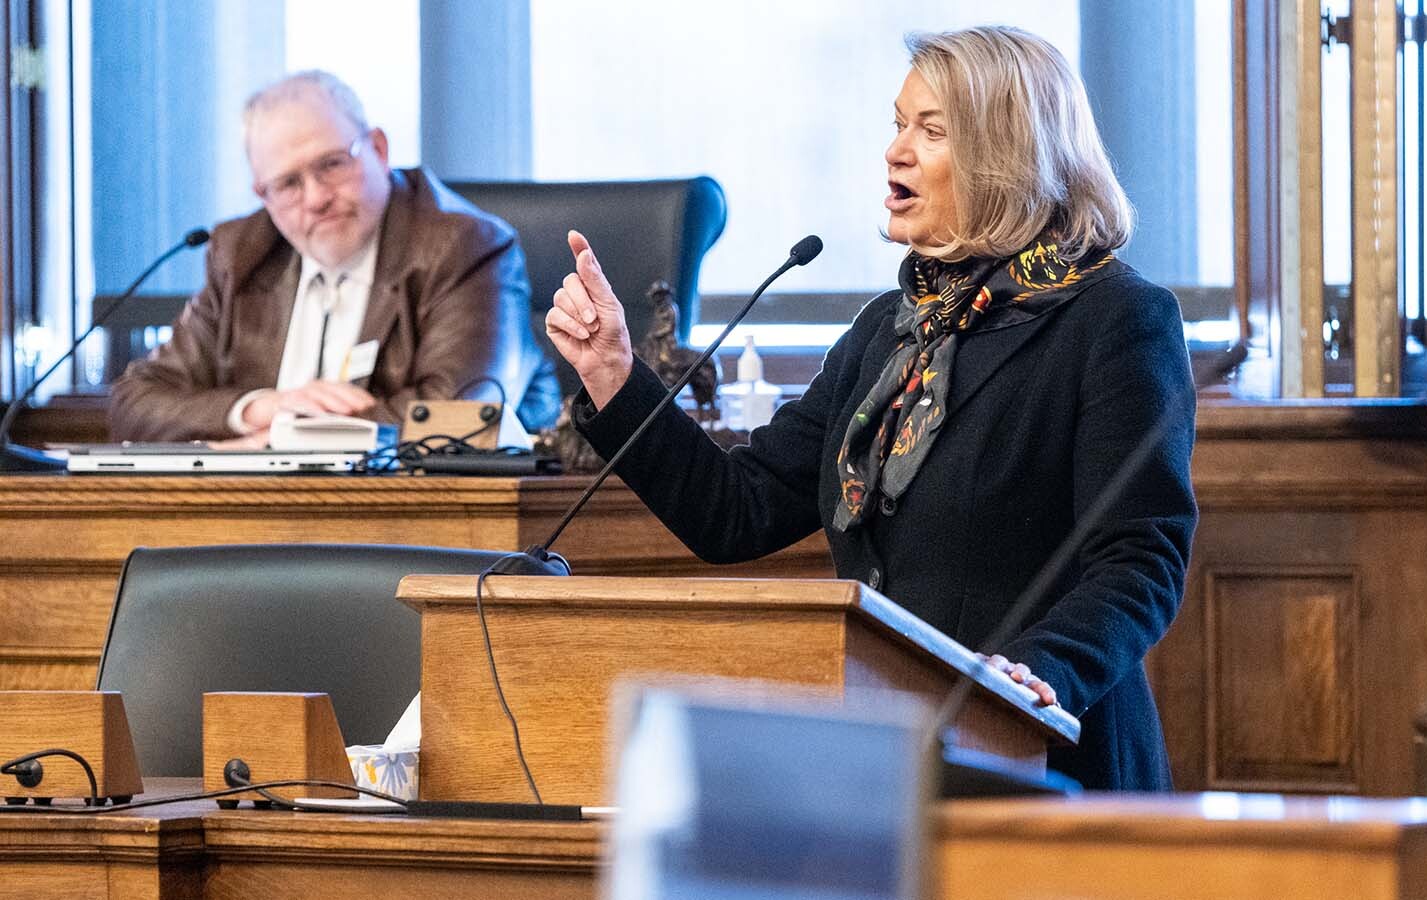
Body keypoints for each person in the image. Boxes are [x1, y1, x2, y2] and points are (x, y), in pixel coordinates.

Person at [546, 26, 1195, 790]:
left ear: (1008, 155)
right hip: (890, 762)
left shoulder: (1114, 321)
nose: (895, 151)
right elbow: (738, 512)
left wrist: (1031, 675)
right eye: (897, 124)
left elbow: (1138, 561)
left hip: (1046, 764)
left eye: (932, 131)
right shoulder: (888, 331)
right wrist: (617, 376)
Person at [109, 70, 552, 443]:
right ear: (262, 194)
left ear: (378, 149)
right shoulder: (241, 253)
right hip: (249, 515)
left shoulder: (465, 245)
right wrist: (258, 408)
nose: (317, 197)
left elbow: (464, 415)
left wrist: (289, 432)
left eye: (332, 164)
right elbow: (135, 402)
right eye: (288, 184)